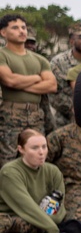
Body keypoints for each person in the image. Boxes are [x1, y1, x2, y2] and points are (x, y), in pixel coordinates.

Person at [0, 14, 57, 162]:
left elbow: (51, 85)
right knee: (8, 160)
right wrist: (37, 78)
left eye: (23, 27)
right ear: (3, 32)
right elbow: (9, 80)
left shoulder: (40, 59)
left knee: (36, 159)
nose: (21, 31)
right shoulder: (2, 55)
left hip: (35, 115)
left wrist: (21, 84)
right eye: (15, 28)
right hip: (9, 115)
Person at [0, 129, 66, 233]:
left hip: (34, 221)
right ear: (21, 149)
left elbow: (59, 207)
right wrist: (49, 226)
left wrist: (49, 224)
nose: (41, 152)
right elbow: (25, 205)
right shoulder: (9, 172)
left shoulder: (53, 171)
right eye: (34, 148)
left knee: (31, 225)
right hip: (10, 217)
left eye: (44, 147)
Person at [48, 23, 81, 128]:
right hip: (65, 121)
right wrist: (77, 109)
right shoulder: (59, 62)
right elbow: (54, 94)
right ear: (72, 40)